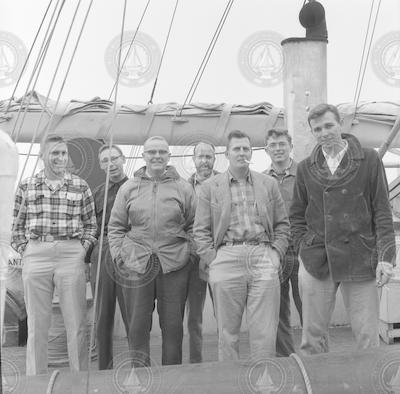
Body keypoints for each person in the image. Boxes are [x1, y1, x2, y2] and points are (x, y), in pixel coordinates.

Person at [290, 103, 395, 355]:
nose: (324, 133)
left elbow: (382, 211)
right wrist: (304, 247)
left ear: (341, 124)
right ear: (312, 133)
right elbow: (296, 216)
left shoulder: (369, 158)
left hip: (360, 257)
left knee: (367, 337)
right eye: (317, 129)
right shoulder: (305, 168)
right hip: (318, 259)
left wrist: (386, 258)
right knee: (312, 338)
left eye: (328, 125)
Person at [194, 130, 290, 360]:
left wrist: (275, 253)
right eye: (237, 148)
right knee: (227, 333)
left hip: (262, 254)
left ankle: (264, 380)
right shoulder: (210, 187)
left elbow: (282, 224)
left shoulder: (268, 183)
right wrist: (213, 260)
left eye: (246, 148)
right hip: (226, 256)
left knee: (265, 332)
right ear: (227, 154)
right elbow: (200, 230)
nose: (242, 152)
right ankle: (230, 382)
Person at [12, 135, 97, 375]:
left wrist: (82, 249)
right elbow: (16, 224)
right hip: (36, 254)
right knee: (37, 324)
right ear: (42, 156)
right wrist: (25, 250)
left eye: (64, 153)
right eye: (55, 153)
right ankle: (36, 381)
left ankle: (80, 380)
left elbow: (91, 223)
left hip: (71, 253)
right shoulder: (27, 186)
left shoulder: (80, 186)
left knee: (76, 322)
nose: (60, 158)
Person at [108, 136, 196, 366]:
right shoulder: (128, 188)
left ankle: (171, 380)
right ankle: (140, 378)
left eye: (162, 152)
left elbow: (195, 225)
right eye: (152, 152)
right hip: (136, 265)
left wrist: (190, 252)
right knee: (137, 326)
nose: (157, 156)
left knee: (173, 327)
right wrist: (119, 256)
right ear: (144, 156)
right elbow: (115, 227)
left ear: (168, 156)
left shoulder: (183, 187)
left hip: (174, 266)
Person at [87, 144, 130, 369]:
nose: (111, 164)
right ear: (101, 165)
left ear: (123, 159)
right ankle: (104, 368)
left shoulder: (136, 187)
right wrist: (88, 259)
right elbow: (89, 227)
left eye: (114, 158)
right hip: (102, 252)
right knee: (102, 315)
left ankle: (139, 367)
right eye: (105, 160)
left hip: (129, 250)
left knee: (133, 312)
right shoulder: (96, 193)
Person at [264, 128, 302, 357]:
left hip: (302, 253)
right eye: (273, 145)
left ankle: (318, 361)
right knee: (277, 314)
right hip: (275, 254)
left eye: (282, 144)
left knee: (311, 311)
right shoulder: (260, 179)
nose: (278, 148)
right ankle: (287, 360)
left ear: (290, 146)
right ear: (267, 149)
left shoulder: (305, 174)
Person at [186, 142, 218, 363]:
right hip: (194, 258)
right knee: (194, 316)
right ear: (193, 159)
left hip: (220, 257)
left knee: (225, 314)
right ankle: (196, 363)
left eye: (209, 156)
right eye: (201, 156)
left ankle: (227, 362)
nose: (205, 160)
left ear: (215, 159)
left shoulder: (225, 183)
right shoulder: (184, 187)